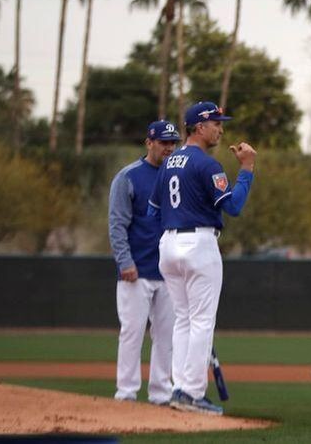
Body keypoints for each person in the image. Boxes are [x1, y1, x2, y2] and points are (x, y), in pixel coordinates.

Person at [149, 101, 256, 416]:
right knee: (201, 321)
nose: (221, 128)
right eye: (216, 123)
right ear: (198, 127)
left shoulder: (168, 162)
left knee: (183, 320)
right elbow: (233, 206)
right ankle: (192, 393)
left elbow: (152, 210)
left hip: (168, 244)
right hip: (199, 243)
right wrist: (247, 169)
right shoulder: (207, 164)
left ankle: (179, 388)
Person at [109, 120, 181, 405]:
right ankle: (126, 392)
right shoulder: (129, 176)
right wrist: (124, 261)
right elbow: (117, 224)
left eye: (173, 142)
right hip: (136, 270)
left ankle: (161, 392)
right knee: (132, 333)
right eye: (163, 142)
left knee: (166, 337)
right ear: (149, 142)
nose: (169, 147)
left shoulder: (177, 177)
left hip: (169, 271)